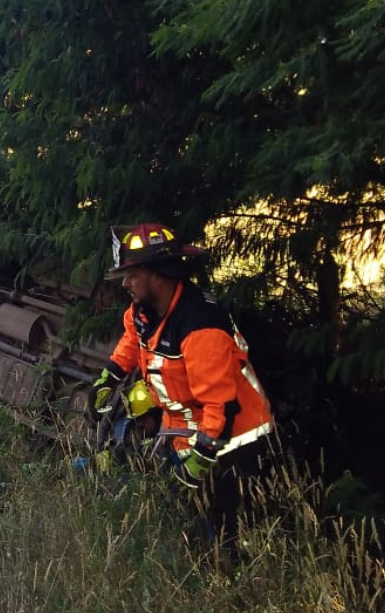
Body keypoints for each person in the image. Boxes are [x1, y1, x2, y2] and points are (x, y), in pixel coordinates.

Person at [89, 223, 275, 553]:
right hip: (187, 435)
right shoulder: (145, 311)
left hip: (233, 444)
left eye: (132, 275)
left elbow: (221, 405)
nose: (126, 284)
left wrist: (199, 462)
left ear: (157, 274)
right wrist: (109, 378)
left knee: (229, 535)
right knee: (188, 524)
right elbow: (132, 342)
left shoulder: (199, 324)